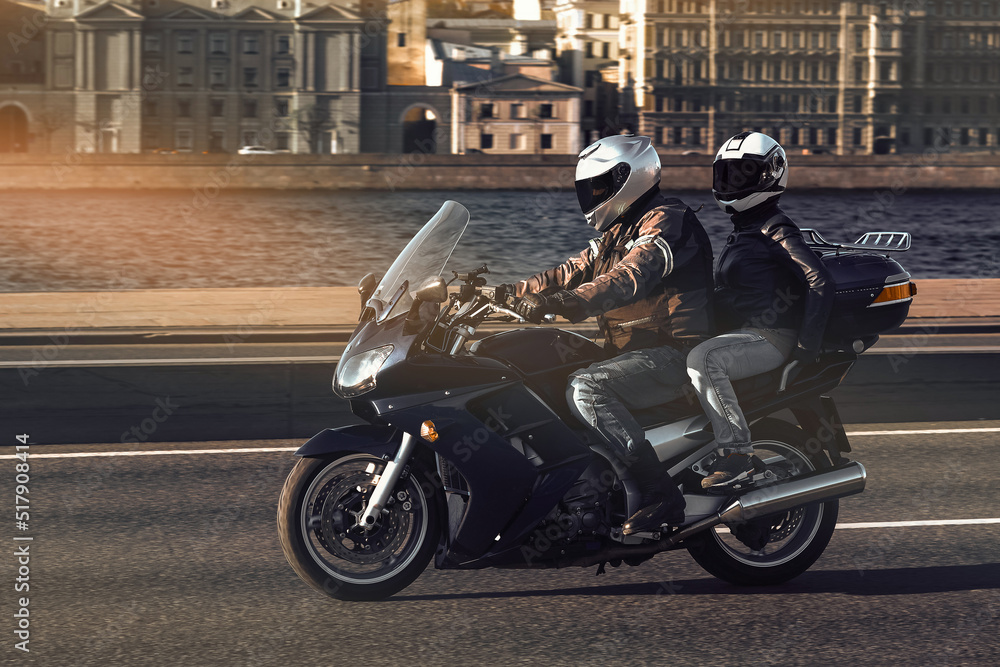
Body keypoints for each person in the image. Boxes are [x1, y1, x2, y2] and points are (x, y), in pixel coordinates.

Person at [505, 135, 715, 536]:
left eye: (599, 187)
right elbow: (567, 272)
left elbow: (629, 278)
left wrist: (564, 303)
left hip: (673, 352)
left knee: (587, 389)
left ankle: (658, 492)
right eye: (589, 189)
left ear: (628, 178)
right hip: (629, 351)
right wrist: (501, 293)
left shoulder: (666, 220)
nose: (592, 196)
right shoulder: (616, 230)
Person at [687, 131, 834, 491]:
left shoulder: (774, 226)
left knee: (705, 360)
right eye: (726, 174)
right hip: (744, 334)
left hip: (770, 336)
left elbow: (819, 279)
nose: (730, 183)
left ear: (770, 175)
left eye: (742, 175)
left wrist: (806, 349)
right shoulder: (745, 229)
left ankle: (736, 455)